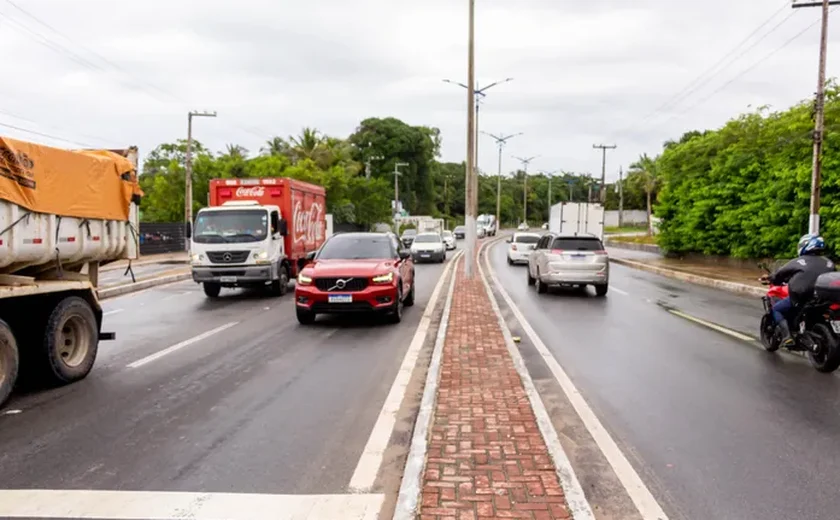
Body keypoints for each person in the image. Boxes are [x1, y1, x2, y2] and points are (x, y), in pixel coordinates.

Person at [762, 234, 835, 347]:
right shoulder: (829, 262)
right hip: (824, 299)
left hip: (803, 297)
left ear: (805, 245)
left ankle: (787, 337)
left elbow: (779, 275)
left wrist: (771, 278)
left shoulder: (799, 261)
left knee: (776, 309)